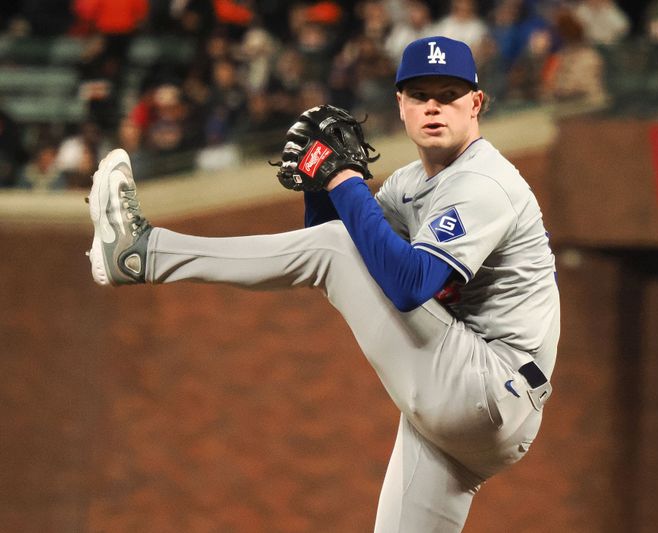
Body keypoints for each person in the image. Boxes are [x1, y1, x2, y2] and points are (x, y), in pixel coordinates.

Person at [86, 36, 560, 532]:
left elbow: (406, 283)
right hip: (471, 407)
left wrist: (343, 179)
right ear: (400, 104)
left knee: (337, 247)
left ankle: (142, 253)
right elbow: (332, 249)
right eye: (420, 95)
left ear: (476, 103)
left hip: (487, 384)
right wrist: (321, 185)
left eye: (449, 93)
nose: (434, 106)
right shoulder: (407, 185)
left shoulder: (484, 181)